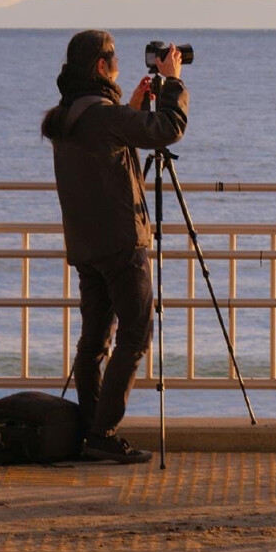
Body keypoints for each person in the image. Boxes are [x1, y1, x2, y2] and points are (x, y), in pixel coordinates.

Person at [41, 30, 188, 465]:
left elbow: (108, 144)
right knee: (136, 334)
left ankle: (90, 428)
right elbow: (167, 129)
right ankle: (104, 432)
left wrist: (132, 110)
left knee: (94, 341)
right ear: (102, 66)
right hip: (122, 243)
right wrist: (174, 82)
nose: (121, 62)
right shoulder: (104, 116)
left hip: (87, 246)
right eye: (115, 57)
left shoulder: (67, 116)